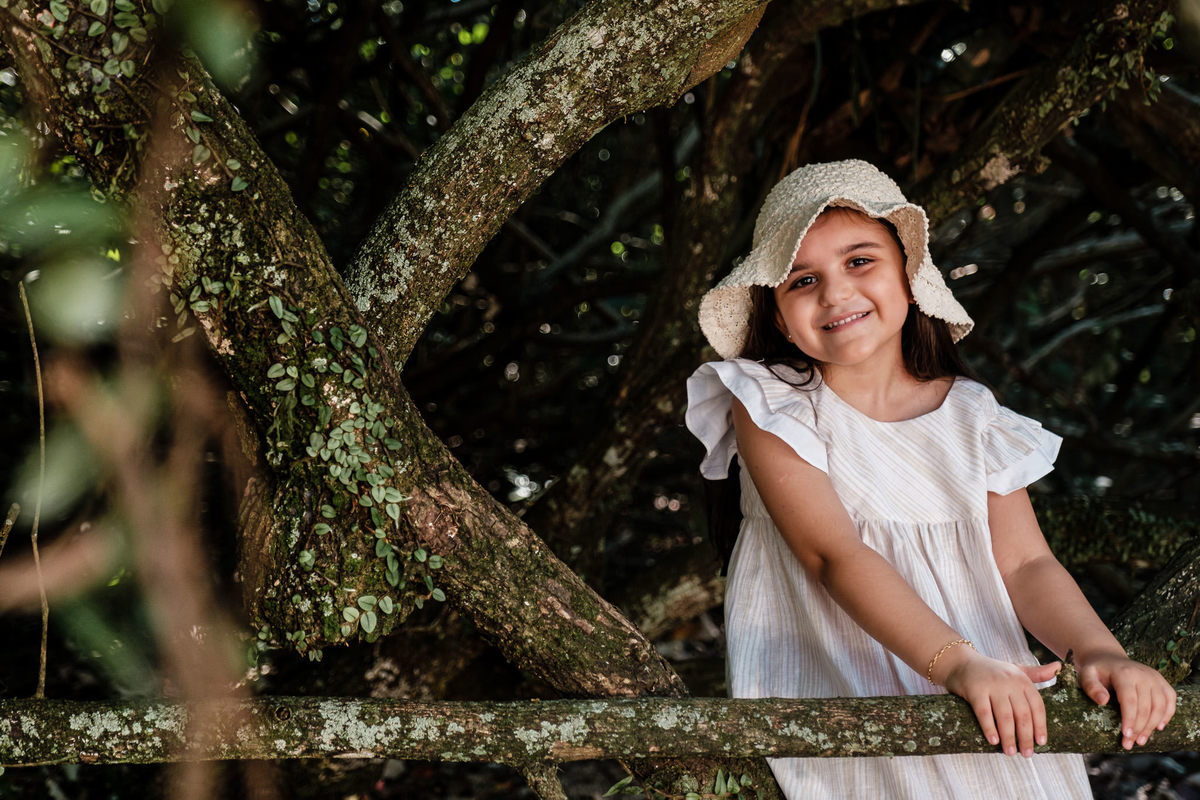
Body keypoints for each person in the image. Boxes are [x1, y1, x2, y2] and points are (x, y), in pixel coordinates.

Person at [684, 160, 1175, 798]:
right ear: (778, 317)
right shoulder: (774, 402)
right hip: (845, 688)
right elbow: (833, 553)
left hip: (989, 687)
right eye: (803, 280)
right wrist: (956, 663)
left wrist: (1099, 651)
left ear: (909, 274)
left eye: (860, 261)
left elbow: (1026, 563)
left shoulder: (972, 415)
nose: (835, 293)